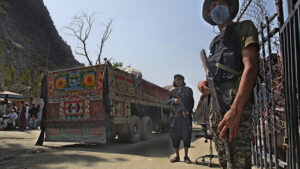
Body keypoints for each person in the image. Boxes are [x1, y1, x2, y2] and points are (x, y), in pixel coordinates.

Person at [198, 0, 258, 168]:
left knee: (238, 162)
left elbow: (251, 66)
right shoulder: (215, 44)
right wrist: (202, 84)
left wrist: (235, 111)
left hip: (234, 106)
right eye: (213, 5)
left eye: (221, 2)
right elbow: (215, 77)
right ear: (210, 15)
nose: (217, 7)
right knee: (225, 162)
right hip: (216, 109)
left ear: (231, 8)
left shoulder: (244, 28)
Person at [167, 74, 194, 163]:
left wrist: (188, 111)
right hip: (176, 118)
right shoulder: (172, 91)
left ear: (182, 80)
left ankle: (186, 156)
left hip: (186, 118)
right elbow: (167, 102)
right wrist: (173, 100)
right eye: (176, 80)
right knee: (175, 137)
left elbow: (191, 102)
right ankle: (177, 156)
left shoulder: (188, 90)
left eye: (179, 79)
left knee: (186, 137)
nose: (177, 81)